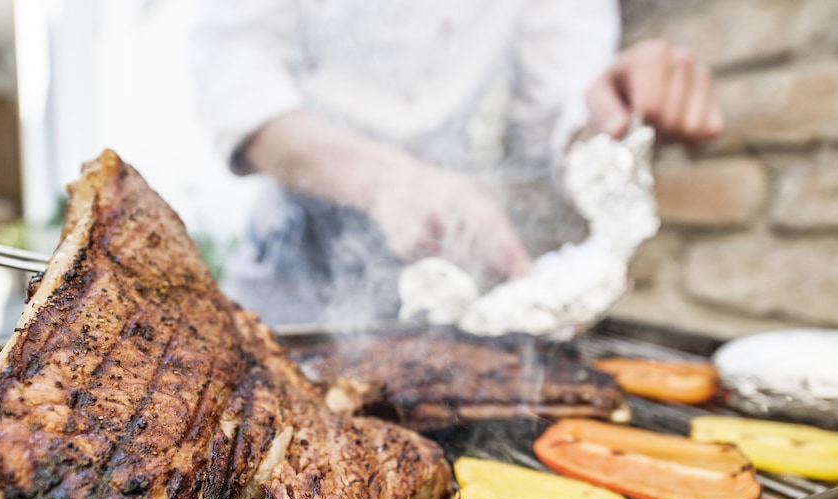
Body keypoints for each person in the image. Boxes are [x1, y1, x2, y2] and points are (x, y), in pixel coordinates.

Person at [192, 0, 723, 326]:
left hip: (443, 273)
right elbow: (237, 81)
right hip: (288, 267)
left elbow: (559, 114)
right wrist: (390, 182)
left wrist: (615, 115)